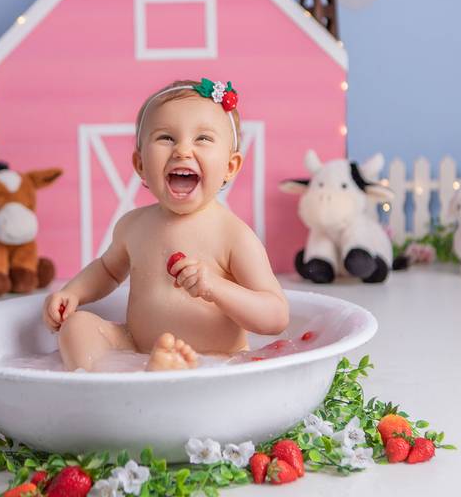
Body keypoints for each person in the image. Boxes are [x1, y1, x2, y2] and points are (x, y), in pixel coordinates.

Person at [43, 78, 289, 371]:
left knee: (213, 364)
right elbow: (108, 270)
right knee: (77, 327)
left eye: (203, 139)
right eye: (166, 138)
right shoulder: (133, 225)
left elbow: (276, 316)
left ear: (230, 166)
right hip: (137, 348)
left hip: (216, 359)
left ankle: (172, 368)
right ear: (140, 165)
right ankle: (105, 378)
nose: (182, 150)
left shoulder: (233, 235)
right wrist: (73, 293)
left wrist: (215, 287)